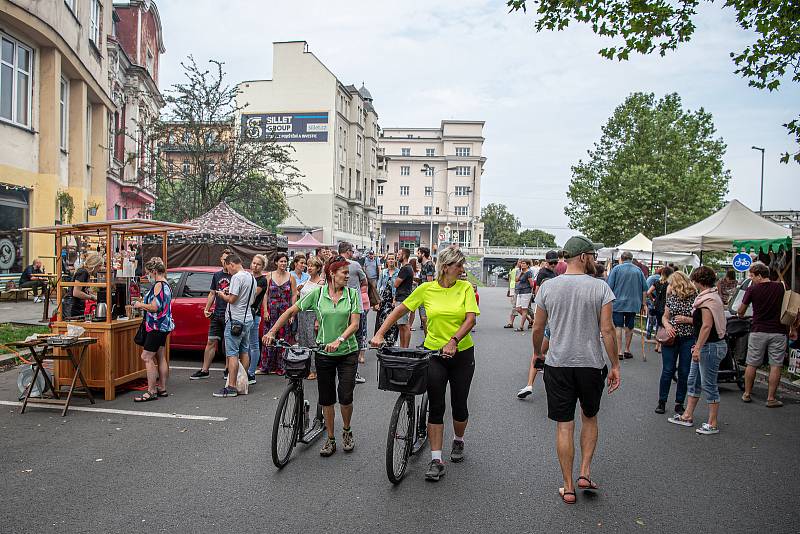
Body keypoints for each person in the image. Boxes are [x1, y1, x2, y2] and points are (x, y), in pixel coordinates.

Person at [371, 247, 480, 482]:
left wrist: (453, 341)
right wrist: (379, 333)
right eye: (459, 266)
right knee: (437, 404)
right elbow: (399, 310)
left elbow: (471, 318)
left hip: (461, 354)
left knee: (459, 404)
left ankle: (458, 440)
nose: (463, 270)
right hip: (434, 354)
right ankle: (436, 459)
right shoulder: (426, 289)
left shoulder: (465, 288)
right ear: (446, 267)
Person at [532, 236, 620, 504]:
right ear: (583, 257)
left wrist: (538, 353)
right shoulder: (600, 288)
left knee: (564, 425)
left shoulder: (547, 288)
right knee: (590, 417)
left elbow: (537, 328)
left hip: (558, 363)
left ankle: (568, 487)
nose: (594, 260)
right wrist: (615, 364)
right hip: (591, 364)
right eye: (592, 255)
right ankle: (584, 472)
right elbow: (607, 330)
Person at [264, 255, 362, 456]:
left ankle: (347, 430)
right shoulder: (317, 295)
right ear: (332, 274)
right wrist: (272, 331)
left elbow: (355, 324)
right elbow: (291, 310)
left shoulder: (352, 295)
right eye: (344, 273)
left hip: (347, 352)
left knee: (345, 397)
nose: (347, 276)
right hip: (324, 352)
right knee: (326, 399)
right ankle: (331, 438)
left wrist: (339, 340)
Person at [668, 266, 728, 434]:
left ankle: (712, 422)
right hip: (705, 345)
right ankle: (687, 415)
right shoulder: (709, 297)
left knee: (709, 384)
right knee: (693, 381)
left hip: (709, 346)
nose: (692, 283)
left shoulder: (707, 300)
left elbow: (707, 325)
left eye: (694, 280)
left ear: (699, 281)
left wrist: (698, 348)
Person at [738, 261, 788, 407]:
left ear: (759, 276)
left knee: (752, 363)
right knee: (776, 365)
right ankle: (771, 398)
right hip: (778, 331)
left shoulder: (753, 290)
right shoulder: (781, 287)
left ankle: (747, 393)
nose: (751, 279)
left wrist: (742, 315)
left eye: (752, 276)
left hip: (758, 330)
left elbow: (741, 310)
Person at [213, 254, 257, 398]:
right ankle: (241, 382)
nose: (228, 271)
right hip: (248, 318)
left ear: (232, 264)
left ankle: (231, 386)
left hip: (235, 320)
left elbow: (232, 299)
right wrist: (229, 291)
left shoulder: (237, 277)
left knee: (232, 354)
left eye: (228, 268)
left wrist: (221, 295)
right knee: (245, 351)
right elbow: (250, 297)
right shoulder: (251, 277)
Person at [516, 250, 559, 399]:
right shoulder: (542, 273)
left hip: (552, 325)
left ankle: (530, 384)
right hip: (552, 323)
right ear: (546, 261)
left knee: (540, 354)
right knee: (540, 354)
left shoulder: (556, 275)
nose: (553, 265)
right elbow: (538, 292)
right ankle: (530, 385)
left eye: (555, 262)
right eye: (551, 262)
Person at [132, 257, 174, 402]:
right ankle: (162, 387)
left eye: (149, 273)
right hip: (164, 325)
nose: (148, 276)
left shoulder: (158, 285)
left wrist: (140, 305)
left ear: (154, 271)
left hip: (156, 326)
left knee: (147, 357)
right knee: (160, 356)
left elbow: (155, 307)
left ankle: (151, 391)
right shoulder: (167, 284)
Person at [656, 271, 697, 415]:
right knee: (668, 370)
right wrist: (667, 326)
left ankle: (679, 402)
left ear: (679, 283)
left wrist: (687, 320)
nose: (670, 286)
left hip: (688, 338)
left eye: (672, 283)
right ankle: (662, 401)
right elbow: (665, 317)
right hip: (671, 337)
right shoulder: (671, 296)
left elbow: (702, 320)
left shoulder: (695, 298)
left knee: (684, 371)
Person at [191, 249, 231, 380]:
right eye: (224, 259)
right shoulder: (217, 275)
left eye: (228, 260)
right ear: (221, 260)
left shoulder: (235, 276)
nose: (226, 262)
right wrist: (206, 309)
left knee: (228, 343)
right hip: (217, 313)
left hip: (230, 314)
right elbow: (212, 293)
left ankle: (228, 369)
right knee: (211, 341)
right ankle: (204, 370)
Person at [258, 252, 297, 375]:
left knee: (283, 339)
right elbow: (265, 294)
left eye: (285, 261)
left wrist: (292, 314)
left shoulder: (291, 277)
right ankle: (266, 366)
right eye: (281, 261)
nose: (283, 263)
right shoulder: (269, 276)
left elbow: (294, 295)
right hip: (271, 311)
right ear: (276, 262)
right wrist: (265, 310)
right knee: (268, 338)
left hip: (285, 311)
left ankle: (282, 367)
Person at [607, 251, 648, 360]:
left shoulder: (616, 269)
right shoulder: (638, 270)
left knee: (618, 326)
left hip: (618, 303)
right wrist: (644, 304)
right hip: (633, 303)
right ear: (631, 258)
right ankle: (627, 350)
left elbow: (609, 287)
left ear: (621, 258)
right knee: (630, 327)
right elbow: (644, 289)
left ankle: (619, 351)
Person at [339, 242, 369, 382]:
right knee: (355, 340)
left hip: (337, 308)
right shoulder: (355, 265)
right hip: (355, 308)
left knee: (339, 337)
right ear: (348, 251)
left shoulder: (331, 264)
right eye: (352, 251)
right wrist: (360, 295)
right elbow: (365, 281)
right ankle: (352, 373)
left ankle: (340, 371)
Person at [296, 255, 324, 380]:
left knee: (313, 342)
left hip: (313, 314)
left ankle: (314, 369)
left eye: (312, 265)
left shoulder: (321, 282)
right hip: (302, 314)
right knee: (303, 340)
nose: (309, 267)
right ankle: (305, 367)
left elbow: (321, 302)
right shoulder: (306, 280)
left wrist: (318, 319)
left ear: (318, 268)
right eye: (309, 265)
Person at [245, 254, 269, 384]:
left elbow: (252, 296)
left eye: (258, 264)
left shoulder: (262, 280)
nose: (255, 266)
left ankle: (251, 373)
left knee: (253, 344)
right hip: (244, 314)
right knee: (246, 345)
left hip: (254, 315)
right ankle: (246, 370)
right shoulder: (247, 276)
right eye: (254, 263)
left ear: (262, 266)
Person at [66, 252, 103, 319]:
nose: (100, 269)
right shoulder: (83, 272)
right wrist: (92, 297)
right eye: (100, 265)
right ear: (94, 265)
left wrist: (93, 296)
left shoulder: (84, 272)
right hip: (72, 307)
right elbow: (76, 292)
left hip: (75, 306)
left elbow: (81, 291)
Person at [374, 252, 400, 347]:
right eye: (389, 259)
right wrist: (376, 301)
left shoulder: (398, 272)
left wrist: (395, 299)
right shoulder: (383, 272)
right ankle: (380, 340)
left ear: (395, 260)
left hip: (393, 300)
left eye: (393, 259)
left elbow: (399, 288)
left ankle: (392, 340)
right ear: (386, 261)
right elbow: (378, 287)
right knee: (381, 320)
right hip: (383, 299)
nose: (391, 260)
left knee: (393, 321)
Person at [647, 266, 674, 353]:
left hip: (657, 306)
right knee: (664, 325)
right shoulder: (670, 284)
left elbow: (648, 292)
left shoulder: (657, 282)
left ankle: (657, 344)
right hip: (665, 306)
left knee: (659, 325)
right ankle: (660, 346)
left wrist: (653, 299)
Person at [393, 248, 415, 348]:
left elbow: (396, 284)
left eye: (399, 254)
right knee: (401, 325)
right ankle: (403, 348)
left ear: (404, 255)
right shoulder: (407, 267)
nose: (397, 256)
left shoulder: (405, 268)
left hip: (403, 298)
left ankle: (405, 349)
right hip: (402, 298)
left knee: (405, 326)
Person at [416, 247, 436, 335]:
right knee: (424, 319)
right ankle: (426, 341)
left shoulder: (429, 264)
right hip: (422, 294)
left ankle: (428, 341)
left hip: (426, 295)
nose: (417, 255)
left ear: (423, 254)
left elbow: (430, 282)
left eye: (418, 253)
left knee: (425, 319)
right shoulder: (424, 265)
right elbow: (422, 280)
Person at [514, 260, 535, 332]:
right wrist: (521, 274)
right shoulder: (521, 272)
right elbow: (516, 280)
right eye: (521, 263)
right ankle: (530, 320)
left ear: (528, 265)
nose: (522, 265)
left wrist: (530, 290)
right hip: (520, 292)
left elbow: (532, 284)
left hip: (526, 292)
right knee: (518, 309)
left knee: (524, 309)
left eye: (524, 264)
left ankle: (521, 326)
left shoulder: (528, 272)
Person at [505, 260, 521, 329]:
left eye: (523, 262)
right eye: (520, 262)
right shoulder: (515, 270)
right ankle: (511, 323)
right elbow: (511, 278)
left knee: (525, 309)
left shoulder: (527, 271)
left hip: (523, 290)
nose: (521, 263)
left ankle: (531, 320)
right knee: (515, 306)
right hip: (514, 287)